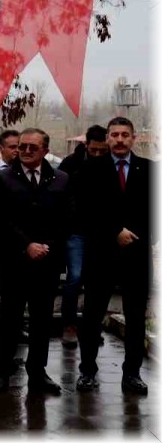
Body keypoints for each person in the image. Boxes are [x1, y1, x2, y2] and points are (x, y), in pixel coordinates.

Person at [76, 117, 151, 395]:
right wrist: (114, 232)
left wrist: (137, 234)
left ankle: (132, 373)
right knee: (92, 315)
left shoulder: (150, 170)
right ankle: (87, 371)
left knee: (135, 318)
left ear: (134, 138)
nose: (119, 140)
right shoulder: (90, 169)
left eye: (125, 135)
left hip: (137, 253)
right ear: (107, 138)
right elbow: (84, 211)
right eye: (115, 135)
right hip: (101, 254)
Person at [0, 128, 70, 395]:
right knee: (10, 319)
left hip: (47, 262)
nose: (25, 151)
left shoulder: (61, 180)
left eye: (32, 147)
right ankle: (3, 371)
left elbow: (66, 220)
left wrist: (48, 246)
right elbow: (0, 220)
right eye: (21, 146)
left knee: (42, 321)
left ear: (45, 150)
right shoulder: (2, 179)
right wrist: (26, 245)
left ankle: (38, 372)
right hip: (15, 262)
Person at [58, 125, 109, 347]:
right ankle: (69, 324)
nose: (97, 155)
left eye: (102, 151)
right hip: (76, 231)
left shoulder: (110, 166)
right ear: (86, 146)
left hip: (102, 232)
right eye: (94, 150)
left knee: (97, 282)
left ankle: (91, 325)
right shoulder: (71, 164)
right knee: (75, 277)